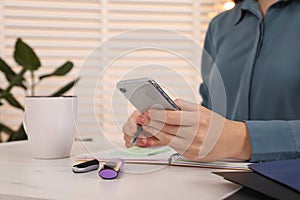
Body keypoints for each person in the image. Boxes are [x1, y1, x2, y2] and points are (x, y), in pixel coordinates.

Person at [122, 0, 300, 162]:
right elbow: (213, 109)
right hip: (220, 183)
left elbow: (226, 133)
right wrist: (169, 129)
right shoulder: (220, 25)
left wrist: (240, 139)